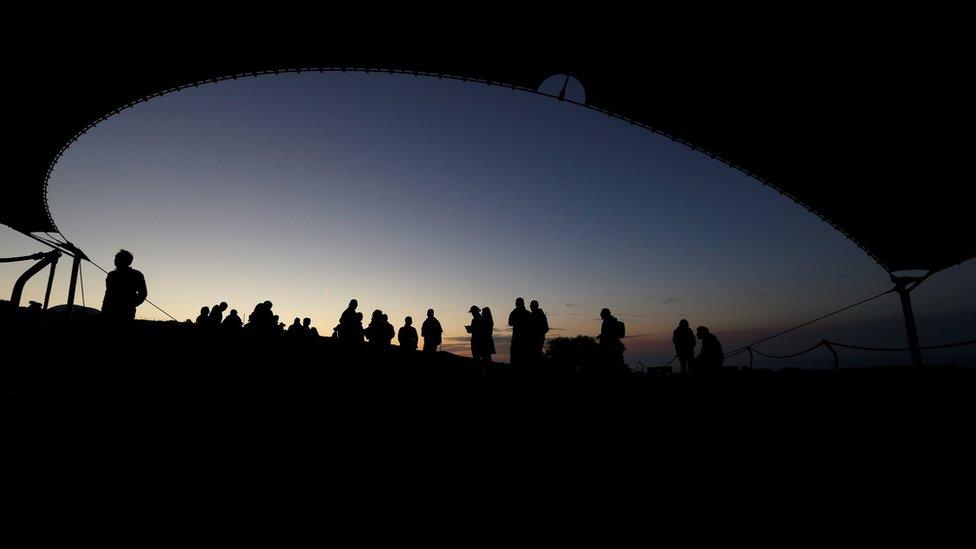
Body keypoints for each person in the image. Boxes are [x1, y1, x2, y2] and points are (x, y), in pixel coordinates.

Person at [101, 249, 148, 325]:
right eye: (115, 258)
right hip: (108, 310)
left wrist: (133, 304)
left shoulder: (136, 275)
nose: (115, 260)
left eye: (117, 258)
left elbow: (143, 293)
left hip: (126, 312)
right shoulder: (111, 275)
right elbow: (108, 292)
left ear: (126, 261)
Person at [507, 297, 531, 365]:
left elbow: (510, 322)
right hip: (524, 340)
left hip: (518, 339)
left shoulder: (515, 313)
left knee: (515, 359)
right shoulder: (528, 313)